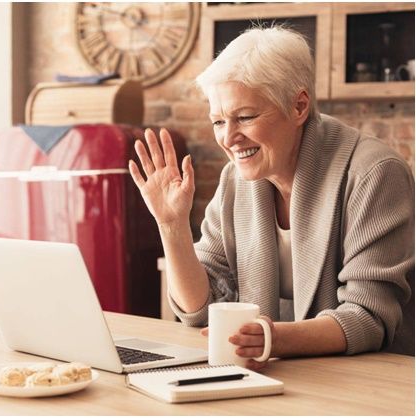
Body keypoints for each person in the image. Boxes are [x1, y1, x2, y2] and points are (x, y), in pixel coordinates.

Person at [128, 25, 414, 371]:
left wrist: (270, 340)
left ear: (299, 106)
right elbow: (201, 310)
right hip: (281, 375)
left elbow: (368, 316)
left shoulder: (374, 174)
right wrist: (171, 225)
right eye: (218, 121)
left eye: (245, 117)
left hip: (374, 381)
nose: (229, 138)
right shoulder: (235, 179)